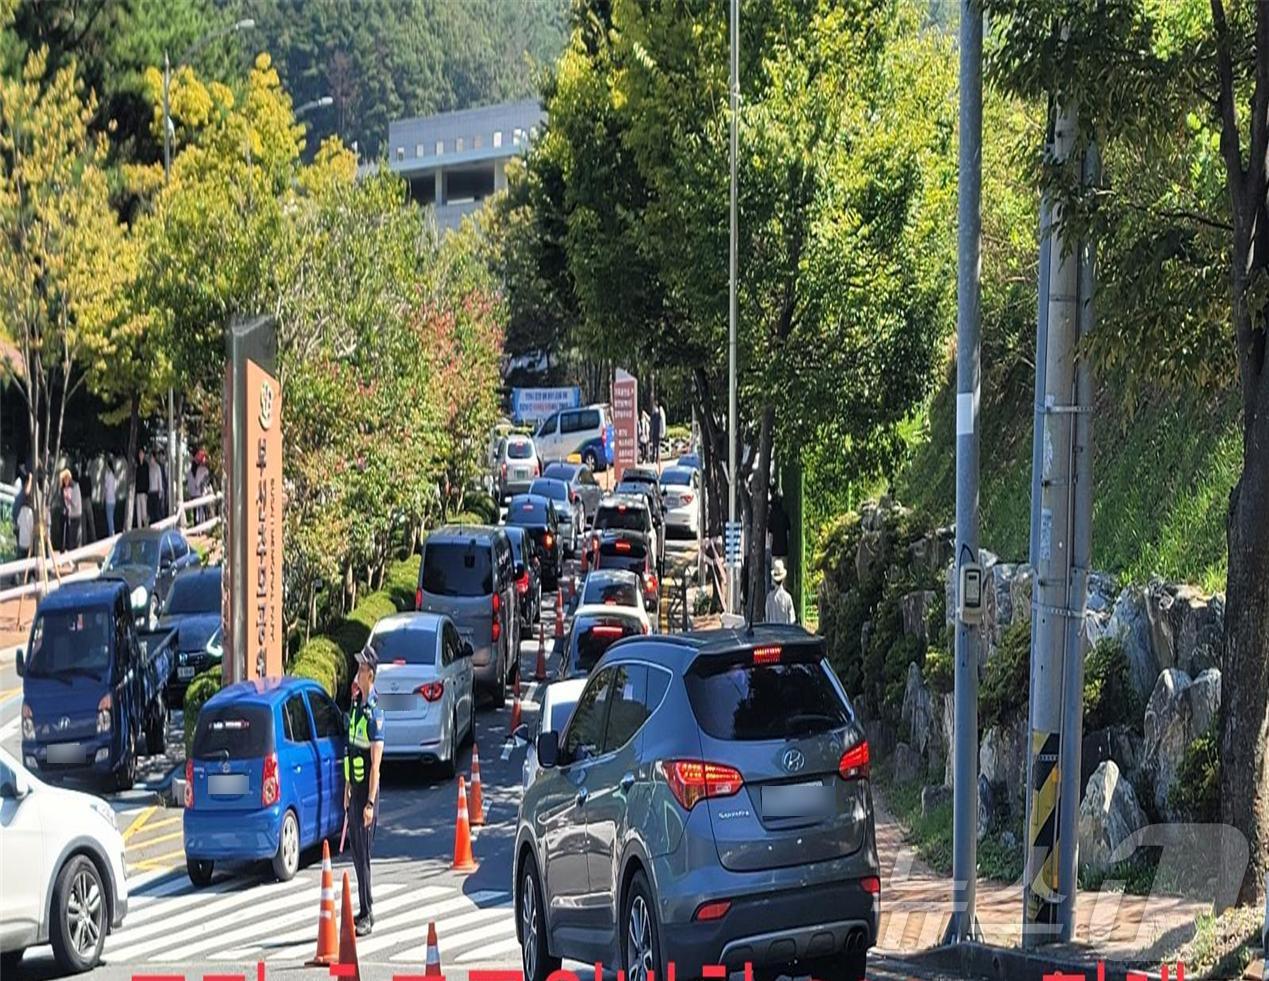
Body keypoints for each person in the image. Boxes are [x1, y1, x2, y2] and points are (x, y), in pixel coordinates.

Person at [345, 646, 385, 937]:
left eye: (361, 670)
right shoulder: (357, 707)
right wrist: (347, 787)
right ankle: (362, 907)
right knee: (356, 853)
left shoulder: (374, 713)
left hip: (366, 794)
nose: (357, 674)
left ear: (370, 675)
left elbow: (375, 765)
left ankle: (368, 913)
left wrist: (370, 803)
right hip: (354, 788)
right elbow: (351, 750)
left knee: (365, 855)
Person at [765, 559, 796, 624]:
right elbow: (792, 620)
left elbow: (767, 619)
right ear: (783, 579)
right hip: (785, 632)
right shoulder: (788, 598)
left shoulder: (769, 597)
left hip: (772, 632)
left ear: (773, 579)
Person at [60, 468, 82, 550]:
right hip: (70, 514)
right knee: (70, 537)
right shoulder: (65, 488)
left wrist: (68, 498)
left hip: (76, 514)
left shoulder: (75, 487)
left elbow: (75, 503)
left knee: (75, 537)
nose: (64, 482)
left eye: (65, 480)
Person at [146, 450, 162, 525]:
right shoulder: (149, 467)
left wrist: (160, 491)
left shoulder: (157, 467)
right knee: (151, 511)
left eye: (152, 457)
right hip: (150, 491)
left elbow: (159, 480)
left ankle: (159, 525)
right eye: (150, 457)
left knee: (156, 511)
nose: (151, 459)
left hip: (156, 491)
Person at [135, 448, 150, 528]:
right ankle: (139, 527)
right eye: (139, 454)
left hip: (144, 491)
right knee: (138, 512)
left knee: (144, 512)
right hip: (138, 491)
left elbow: (147, 479)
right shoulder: (137, 465)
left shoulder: (146, 465)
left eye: (142, 454)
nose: (140, 455)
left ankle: (146, 526)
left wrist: (147, 492)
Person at [103, 456, 118, 537]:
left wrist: (103, 498)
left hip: (109, 499)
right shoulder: (113, 475)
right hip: (113, 499)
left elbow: (105, 488)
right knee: (111, 517)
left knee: (109, 518)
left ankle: (111, 534)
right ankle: (112, 532)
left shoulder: (107, 475)